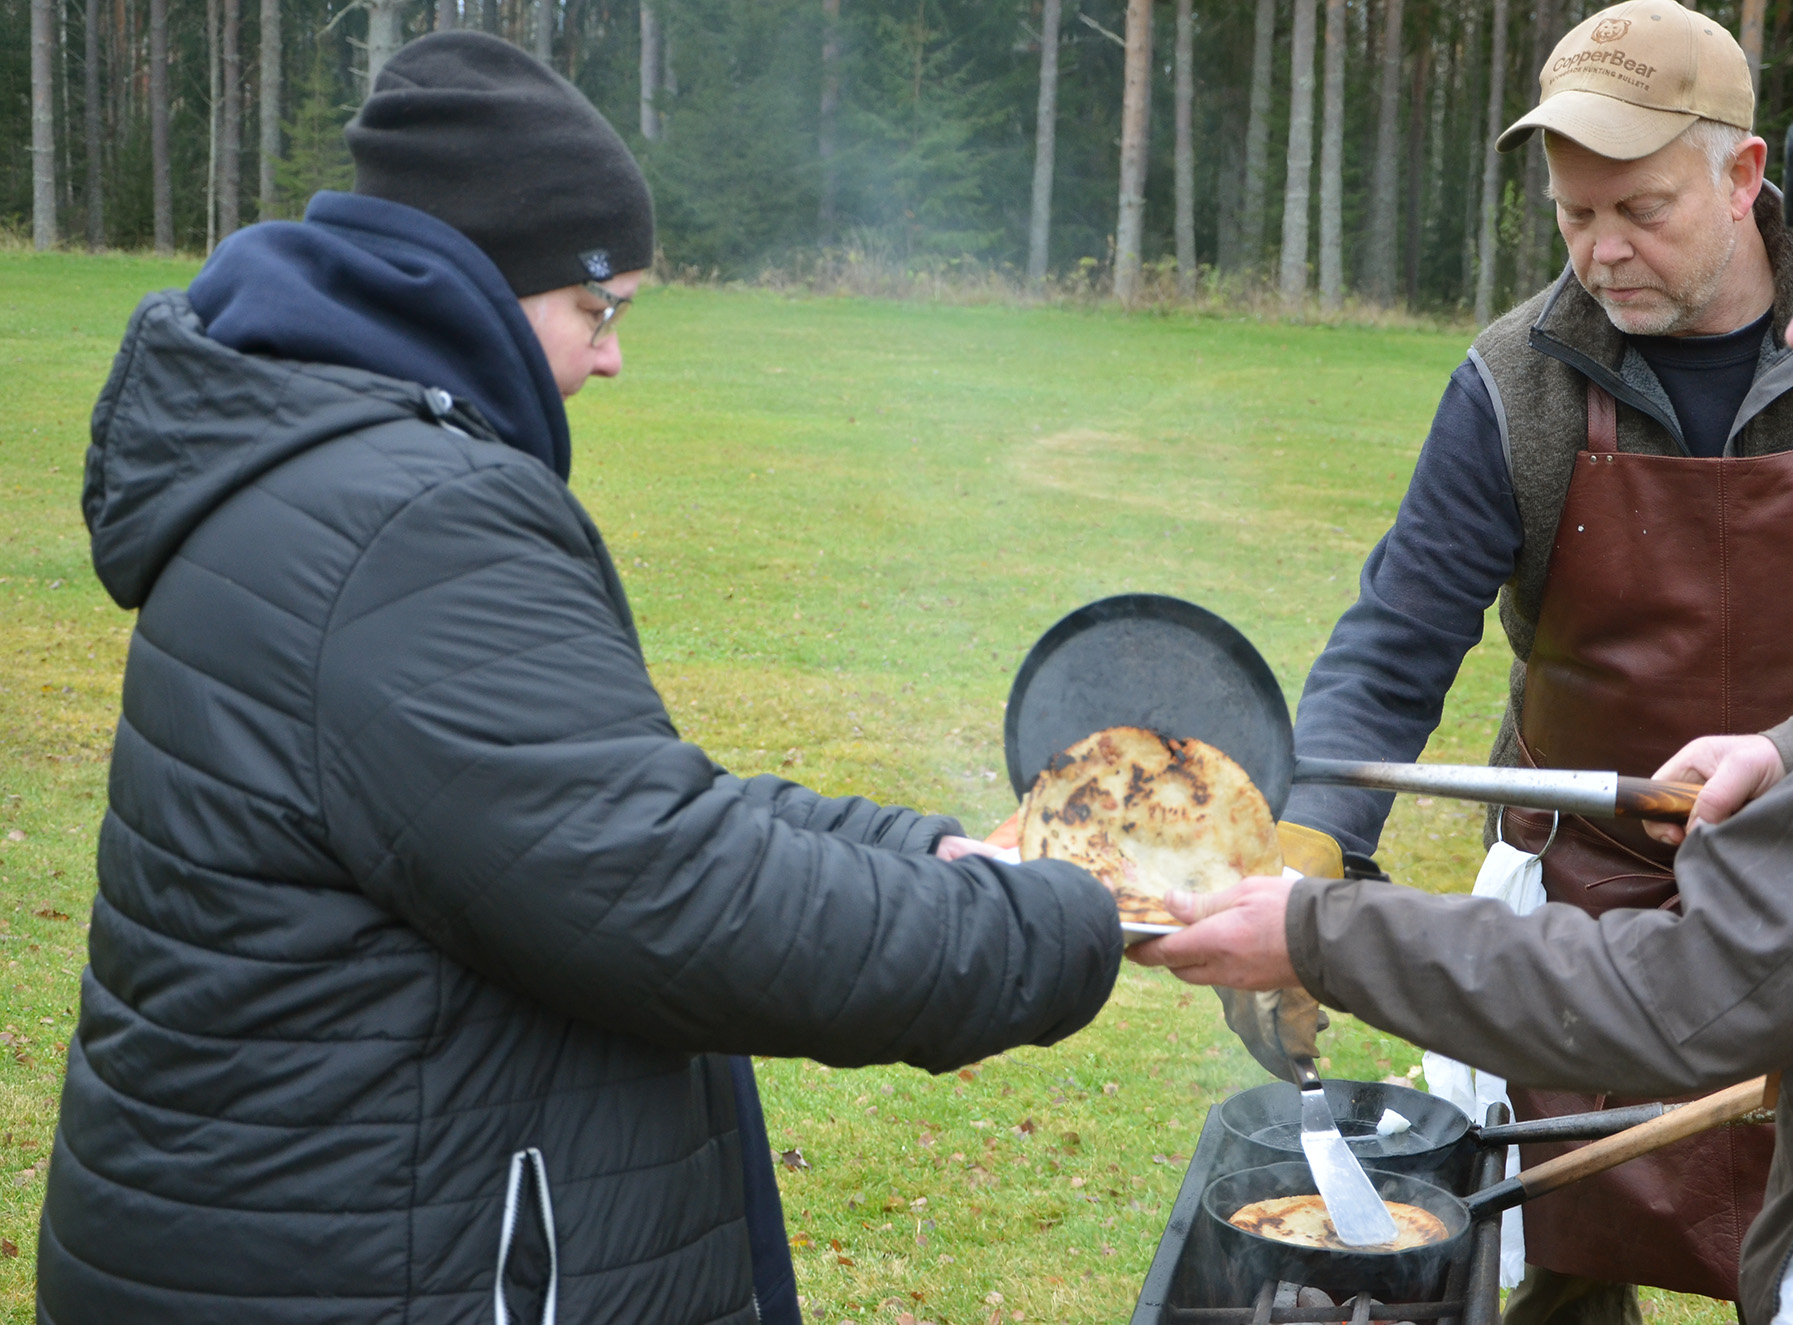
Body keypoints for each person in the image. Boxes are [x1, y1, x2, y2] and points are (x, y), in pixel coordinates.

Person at [38, 32, 1123, 1325]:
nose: (612, 358)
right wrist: (1052, 928)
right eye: (597, 310)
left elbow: (618, 803)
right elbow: (671, 888)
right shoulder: (408, 523)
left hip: (292, 1228)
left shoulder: (319, 453)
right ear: (478, 289)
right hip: (354, 1262)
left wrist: (948, 851)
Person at [1137, 5, 1793, 1323]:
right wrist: (1319, 839)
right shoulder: (1518, 385)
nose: (1602, 250)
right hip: (1581, 899)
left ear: (1743, 175)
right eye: (1573, 211)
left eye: (1640, 207)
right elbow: (1397, 632)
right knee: (1549, 1272)